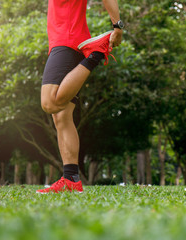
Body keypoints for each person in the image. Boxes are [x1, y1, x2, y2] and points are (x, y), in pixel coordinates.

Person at [36, 0, 124, 193]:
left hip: (67, 40)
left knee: (50, 102)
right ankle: (71, 179)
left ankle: (96, 53)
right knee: (62, 116)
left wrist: (117, 25)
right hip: (63, 41)